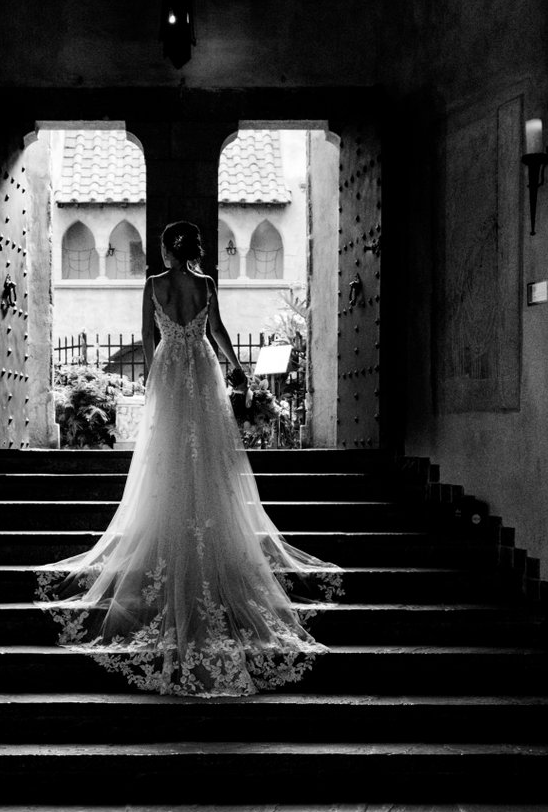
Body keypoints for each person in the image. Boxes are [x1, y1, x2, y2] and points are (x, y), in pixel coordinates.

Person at [37, 221, 342, 697]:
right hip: (201, 370)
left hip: (170, 371)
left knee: (166, 453)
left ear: (166, 249)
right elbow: (217, 330)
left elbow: (146, 337)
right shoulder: (206, 285)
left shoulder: (154, 285)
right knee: (205, 455)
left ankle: (172, 527)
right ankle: (206, 528)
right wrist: (236, 367)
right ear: (194, 250)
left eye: (160, 245)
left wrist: (155, 379)